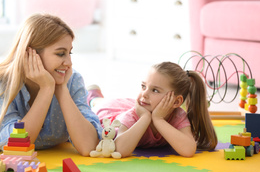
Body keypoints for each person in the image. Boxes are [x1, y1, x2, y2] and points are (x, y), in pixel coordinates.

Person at [0, 13, 102, 156]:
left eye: (69, 53)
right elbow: (11, 145)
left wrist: (60, 88)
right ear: (30, 54)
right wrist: (46, 89)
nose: (69, 63)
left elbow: (88, 146)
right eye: (60, 54)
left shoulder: (71, 81)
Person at [88, 62, 217, 158]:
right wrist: (145, 118)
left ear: (176, 102)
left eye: (155, 90)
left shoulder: (178, 115)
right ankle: (93, 96)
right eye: (143, 86)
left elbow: (188, 150)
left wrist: (158, 119)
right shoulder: (132, 116)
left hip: (133, 106)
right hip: (111, 111)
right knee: (98, 105)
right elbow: (119, 149)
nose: (144, 93)